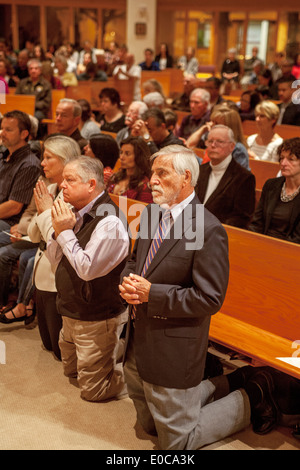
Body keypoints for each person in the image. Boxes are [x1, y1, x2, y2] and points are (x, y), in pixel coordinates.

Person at [119, 144, 276, 450]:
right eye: (152, 172)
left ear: (186, 177)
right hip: (137, 339)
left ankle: (253, 394)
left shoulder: (208, 229)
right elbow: (133, 260)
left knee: (177, 443)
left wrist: (153, 294)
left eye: (161, 173)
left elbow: (210, 299)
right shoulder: (152, 212)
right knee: (147, 421)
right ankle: (224, 383)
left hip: (173, 344)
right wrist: (125, 282)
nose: (151, 180)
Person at [46, 156, 129, 401]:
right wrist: (59, 230)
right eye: (63, 180)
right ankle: (115, 346)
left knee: (94, 391)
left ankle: (140, 376)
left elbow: (87, 269)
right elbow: (56, 260)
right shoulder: (72, 213)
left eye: (70, 180)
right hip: (71, 309)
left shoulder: (110, 222)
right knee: (69, 371)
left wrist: (64, 232)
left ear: (91, 185)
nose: (63, 185)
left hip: (96, 314)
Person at [27, 135, 81, 360]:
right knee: (47, 343)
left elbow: (54, 235)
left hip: (57, 273)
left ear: (65, 160)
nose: (42, 162)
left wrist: (46, 214)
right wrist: (44, 213)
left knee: (59, 350)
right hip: (41, 270)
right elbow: (32, 234)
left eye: (48, 157)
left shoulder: (73, 197)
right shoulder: (50, 187)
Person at [196, 125, 256, 228]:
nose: (213, 145)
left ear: (232, 146)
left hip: (219, 235)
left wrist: (211, 228)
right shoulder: (199, 171)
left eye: (219, 141)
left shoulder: (244, 178)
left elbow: (241, 218)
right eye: (210, 141)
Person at [0, 110, 41, 251]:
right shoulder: (4, 156)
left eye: (8, 130)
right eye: (2, 128)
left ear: (24, 134)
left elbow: (14, 207)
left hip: (10, 222)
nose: (2, 133)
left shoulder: (29, 164)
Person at [249, 137, 300, 244]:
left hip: (290, 251)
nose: (283, 163)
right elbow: (256, 224)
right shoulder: (271, 185)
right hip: (261, 243)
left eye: (291, 159)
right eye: (281, 158)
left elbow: (297, 238)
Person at [187, 104, 250, 170]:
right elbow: (206, 165)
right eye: (212, 121)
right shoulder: (213, 142)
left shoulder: (238, 149)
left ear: (228, 127)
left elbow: (239, 176)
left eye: (216, 123)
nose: (211, 125)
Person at [107, 136, 153, 203]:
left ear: (139, 157)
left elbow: (143, 212)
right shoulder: (114, 177)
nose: (121, 157)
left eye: (127, 154)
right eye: (121, 152)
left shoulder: (144, 186)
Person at [15, 59, 52, 128]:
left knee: (34, 117)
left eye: (36, 68)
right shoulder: (22, 83)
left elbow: (47, 103)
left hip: (38, 111)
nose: (33, 71)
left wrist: (32, 104)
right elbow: (17, 98)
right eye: (31, 68)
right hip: (23, 109)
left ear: (40, 70)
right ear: (28, 70)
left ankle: (33, 136)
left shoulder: (46, 84)